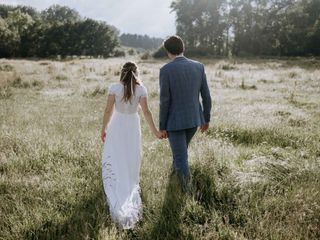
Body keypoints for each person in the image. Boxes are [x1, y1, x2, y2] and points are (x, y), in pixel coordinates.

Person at [100, 62, 162, 229]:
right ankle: (128, 180)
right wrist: (155, 131)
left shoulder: (114, 87)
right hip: (132, 124)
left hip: (117, 123)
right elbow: (147, 112)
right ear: (136, 72)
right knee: (130, 154)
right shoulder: (141, 89)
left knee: (116, 153)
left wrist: (103, 128)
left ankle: (116, 179)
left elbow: (108, 110)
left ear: (122, 73)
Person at [159, 35, 212, 191]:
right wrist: (206, 118)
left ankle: (187, 192)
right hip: (194, 119)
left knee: (181, 156)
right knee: (181, 153)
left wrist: (162, 126)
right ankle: (174, 181)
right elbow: (206, 96)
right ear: (183, 48)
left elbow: (165, 101)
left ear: (168, 51)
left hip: (174, 122)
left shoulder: (166, 70)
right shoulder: (199, 66)